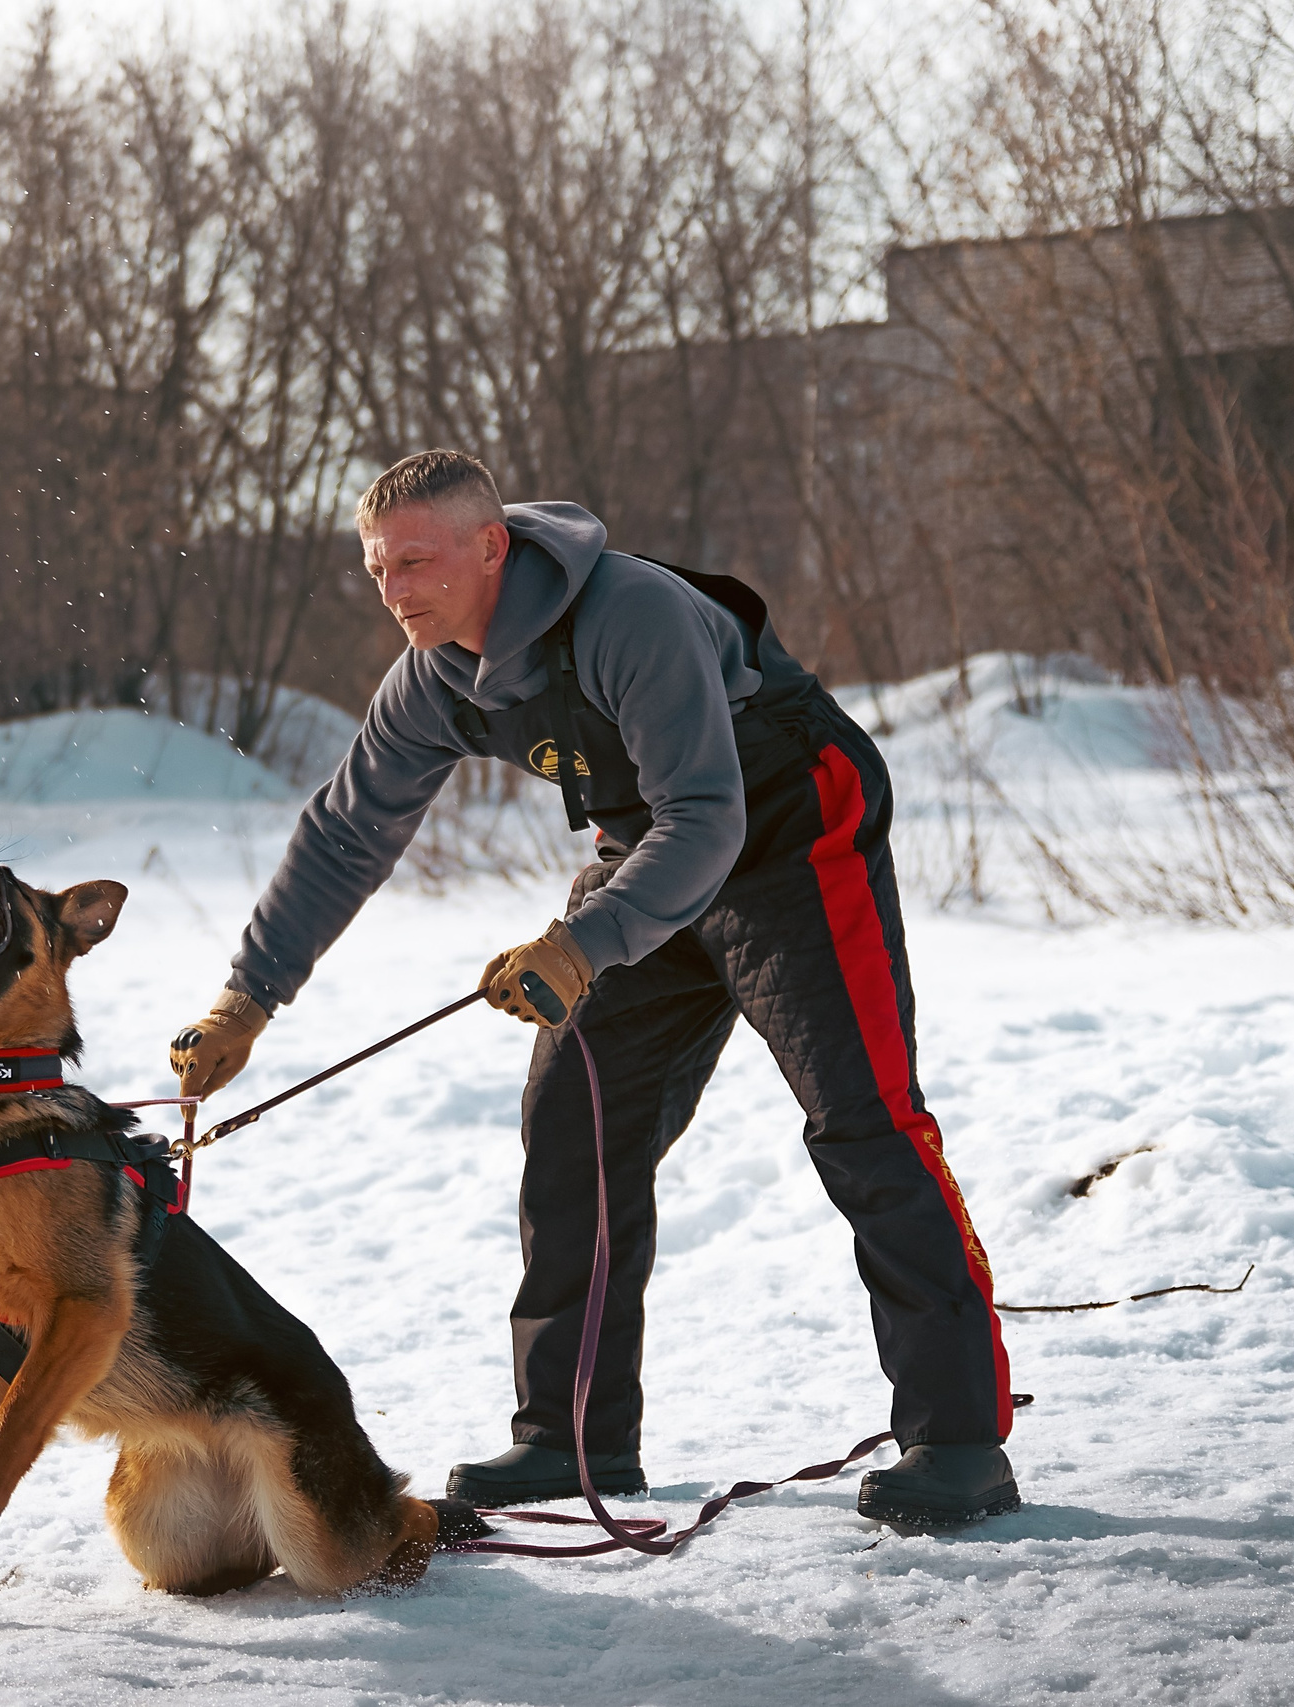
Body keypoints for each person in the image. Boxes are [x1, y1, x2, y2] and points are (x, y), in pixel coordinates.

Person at [167, 450, 1018, 1532]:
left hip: (791, 831)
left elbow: (709, 816)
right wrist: (249, 1000)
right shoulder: (431, 676)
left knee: (861, 1121)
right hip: (650, 852)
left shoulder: (630, 616)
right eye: (378, 569)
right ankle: (572, 1437)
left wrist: (580, 944)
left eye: (417, 562)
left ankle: (957, 1440)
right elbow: (347, 833)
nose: (395, 590)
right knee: (572, 1123)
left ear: (491, 547)